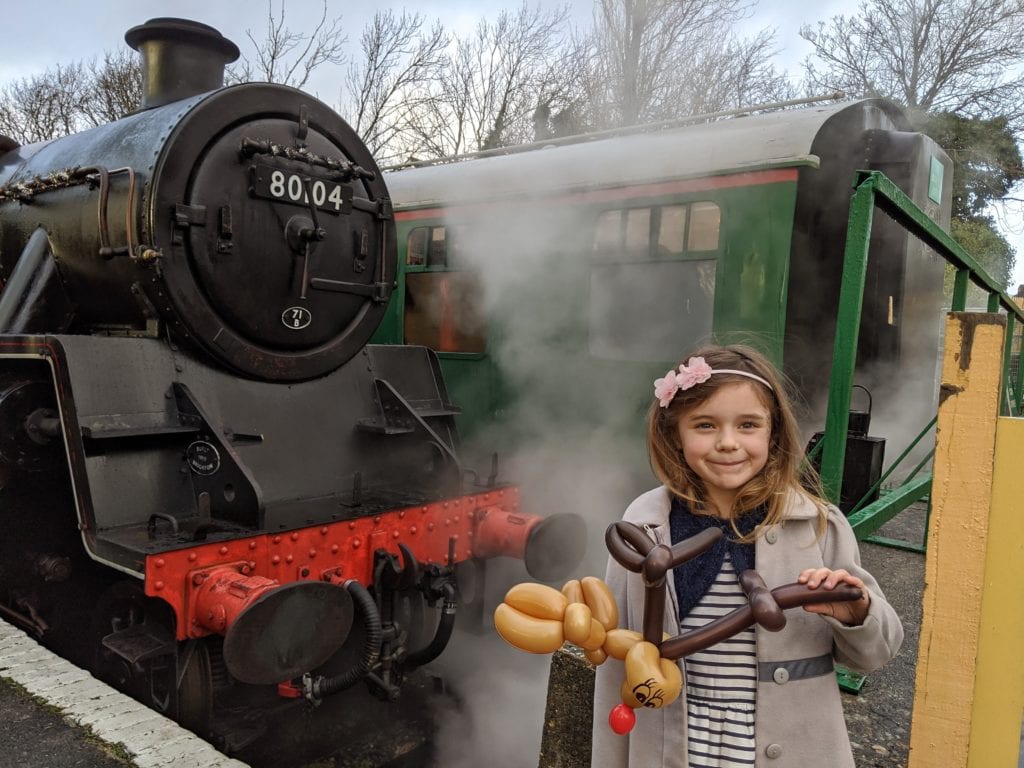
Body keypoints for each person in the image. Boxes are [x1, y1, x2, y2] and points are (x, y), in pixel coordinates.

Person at [591, 344, 903, 768]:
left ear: (772, 435)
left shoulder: (817, 526)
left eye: (748, 425)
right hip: (677, 749)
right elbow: (618, 666)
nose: (727, 443)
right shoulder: (643, 526)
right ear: (674, 435)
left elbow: (877, 652)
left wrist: (855, 612)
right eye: (704, 425)